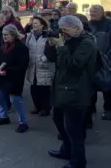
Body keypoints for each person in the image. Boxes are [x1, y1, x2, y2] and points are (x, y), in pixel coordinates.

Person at [45, 15, 97, 168]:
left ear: (76, 28)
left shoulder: (87, 43)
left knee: (74, 129)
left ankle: (78, 161)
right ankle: (66, 150)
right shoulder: (68, 40)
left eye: (65, 30)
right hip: (62, 89)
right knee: (58, 119)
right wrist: (51, 45)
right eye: (61, 30)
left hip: (77, 92)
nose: (63, 33)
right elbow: (53, 59)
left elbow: (73, 67)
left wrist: (61, 47)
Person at [0, 24, 30, 133]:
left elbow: (22, 66)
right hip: (0, 76)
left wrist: (6, 71)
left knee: (15, 100)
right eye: (3, 35)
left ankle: (23, 122)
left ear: (13, 35)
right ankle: (4, 117)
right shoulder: (2, 46)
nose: (4, 37)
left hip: (14, 78)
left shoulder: (21, 48)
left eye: (7, 35)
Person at [25, 16, 54, 117]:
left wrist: (44, 58)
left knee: (44, 88)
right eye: (33, 23)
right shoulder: (30, 35)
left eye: (36, 23)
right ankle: (37, 106)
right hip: (32, 65)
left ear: (42, 25)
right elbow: (26, 47)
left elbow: (52, 49)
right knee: (34, 87)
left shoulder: (48, 35)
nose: (34, 25)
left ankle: (45, 108)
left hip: (44, 65)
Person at [88, 4, 111, 121]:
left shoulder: (109, 24)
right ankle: (91, 109)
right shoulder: (88, 24)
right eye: (91, 11)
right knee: (91, 87)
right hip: (91, 61)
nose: (92, 13)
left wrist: (107, 57)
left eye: (95, 11)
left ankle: (108, 110)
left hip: (107, 61)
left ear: (102, 12)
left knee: (108, 86)